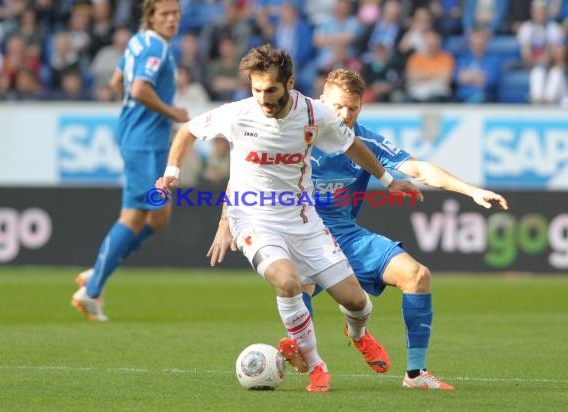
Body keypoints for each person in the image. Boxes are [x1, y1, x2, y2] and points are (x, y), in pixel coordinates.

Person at [208, 68, 509, 390]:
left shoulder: (362, 141)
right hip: (297, 232)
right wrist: (226, 220)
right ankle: (312, 362)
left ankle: (414, 373)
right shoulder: (293, 128)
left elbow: (419, 169)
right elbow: (244, 174)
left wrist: (471, 190)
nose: (344, 114)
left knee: (416, 276)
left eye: (352, 108)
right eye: (337, 106)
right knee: (298, 286)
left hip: (346, 235)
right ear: (321, 101)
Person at [157, 44, 422, 392]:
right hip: (252, 218)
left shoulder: (315, 114)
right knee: (287, 281)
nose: (263, 99)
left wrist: (387, 180)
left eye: (271, 90)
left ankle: (357, 332)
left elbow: (352, 145)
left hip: (302, 219)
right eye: (256, 90)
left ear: (290, 83)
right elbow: (188, 130)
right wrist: (172, 171)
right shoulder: (238, 114)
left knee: (357, 303)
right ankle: (316, 365)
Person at [71, 0, 189, 321]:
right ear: (150, 16)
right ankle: (92, 290)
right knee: (136, 216)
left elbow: (116, 82)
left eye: (176, 14)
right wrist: (172, 111)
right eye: (164, 14)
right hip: (144, 142)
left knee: (160, 216)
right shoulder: (155, 46)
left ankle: (96, 272)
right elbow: (137, 89)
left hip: (144, 138)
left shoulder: (138, 41)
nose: (171, 19)